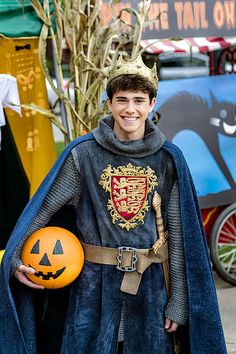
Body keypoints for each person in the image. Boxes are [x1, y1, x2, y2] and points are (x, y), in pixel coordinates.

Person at [0, 55, 226, 354]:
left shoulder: (168, 159)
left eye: (138, 100)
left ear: (152, 104)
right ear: (109, 103)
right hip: (92, 290)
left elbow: (179, 237)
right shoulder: (82, 155)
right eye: (121, 100)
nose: (129, 109)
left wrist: (179, 299)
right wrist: (14, 257)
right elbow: (42, 210)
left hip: (151, 289)